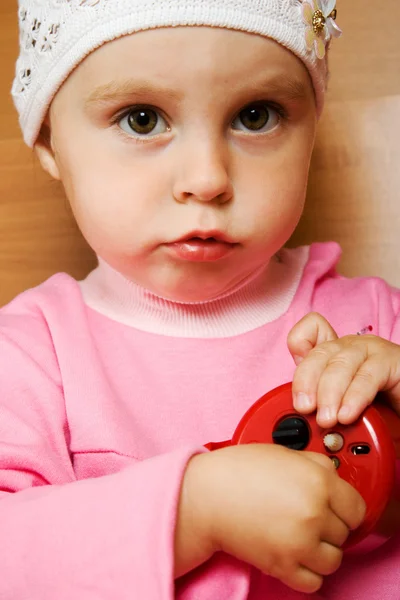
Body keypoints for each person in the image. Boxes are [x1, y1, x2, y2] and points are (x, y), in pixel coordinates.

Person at [4, 0, 400, 597]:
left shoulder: (380, 328)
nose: (208, 177)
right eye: (141, 119)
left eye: (256, 115)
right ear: (51, 145)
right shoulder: (33, 355)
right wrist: (191, 512)